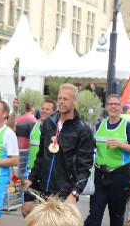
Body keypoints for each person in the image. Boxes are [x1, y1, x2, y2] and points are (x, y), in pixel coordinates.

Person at [77, 94, 130, 226]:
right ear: (106, 107)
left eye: (116, 104)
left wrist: (121, 145)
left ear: (121, 107)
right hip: (101, 176)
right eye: (110, 104)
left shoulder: (127, 126)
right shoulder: (100, 125)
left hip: (120, 177)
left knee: (117, 216)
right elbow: (92, 146)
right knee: (95, 213)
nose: (113, 107)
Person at [22, 84, 93, 217]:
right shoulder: (49, 123)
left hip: (64, 189)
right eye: (59, 98)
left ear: (75, 101)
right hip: (43, 185)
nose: (61, 101)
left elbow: (84, 167)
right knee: (29, 213)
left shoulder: (83, 130)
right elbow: (41, 155)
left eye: (65, 99)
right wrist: (31, 178)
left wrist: (74, 193)